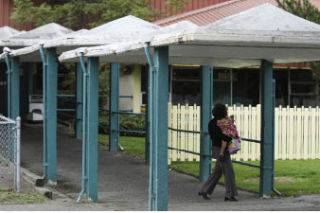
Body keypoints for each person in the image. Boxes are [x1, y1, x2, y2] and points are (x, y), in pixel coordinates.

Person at [198, 103, 238, 201]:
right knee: (229, 172)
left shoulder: (212, 123)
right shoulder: (224, 123)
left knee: (218, 171)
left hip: (216, 148)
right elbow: (228, 136)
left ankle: (205, 190)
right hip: (223, 150)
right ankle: (230, 194)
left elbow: (215, 137)